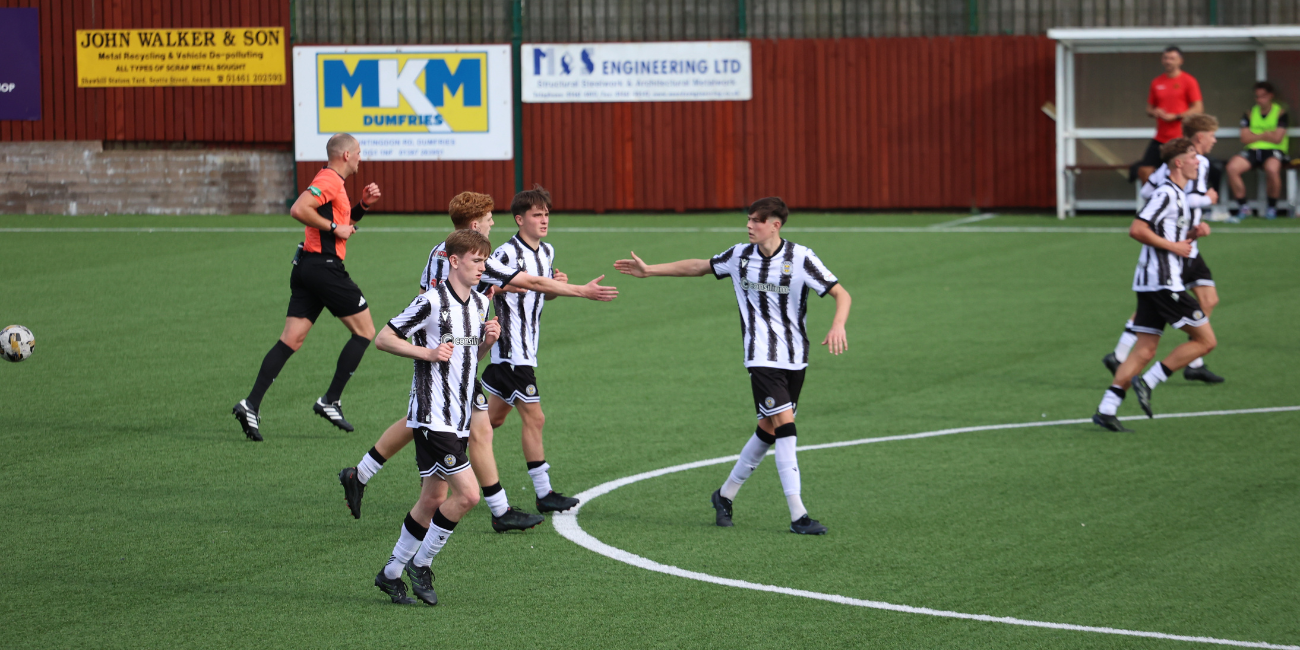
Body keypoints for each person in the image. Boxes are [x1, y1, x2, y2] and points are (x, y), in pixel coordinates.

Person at [338, 191, 618, 532]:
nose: (492, 222)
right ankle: (499, 510)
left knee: (424, 421)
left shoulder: (442, 252)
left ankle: (360, 473)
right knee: (469, 427)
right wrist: (581, 290)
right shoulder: (472, 257)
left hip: (456, 352)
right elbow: (525, 281)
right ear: (474, 224)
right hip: (447, 358)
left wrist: (491, 296)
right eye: (488, 218)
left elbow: (465, 293)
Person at [614, 197, 851, 535]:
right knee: (786, 427)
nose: (749, 225)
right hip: (760, 356)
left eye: (756, 220)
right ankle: (799, 515)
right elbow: (699, 266)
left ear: (775, 225)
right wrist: (650, 269)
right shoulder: (740, 255)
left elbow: (842, 294)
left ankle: (724, 495)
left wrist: (838, 324)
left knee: (768, 429)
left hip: (795, 356)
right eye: (749, 220)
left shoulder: (801, 258)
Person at [370, 229, 498, 606]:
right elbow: (383, 338)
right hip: (432, 417)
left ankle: (391, 572)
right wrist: (426, 354)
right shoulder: (429, 301)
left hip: (458, 417)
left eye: (484, 261)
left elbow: (469, 360)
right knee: (469, 494)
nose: (482, 268)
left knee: (432, 499)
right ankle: (421, 563)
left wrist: (487, 343)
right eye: (476, 261)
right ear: (454, 261)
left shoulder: (479, 304)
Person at [232, 133, 381, 441]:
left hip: (307, 268)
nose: (360, 158)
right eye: (358, 153)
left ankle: (250, 404)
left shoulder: (335, 184)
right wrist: (333, 227)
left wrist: (362, 205)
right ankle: (330, 400)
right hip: (324, 268)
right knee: (366, 332)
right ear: (345, 156)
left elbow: (341, 224)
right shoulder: (329, 179)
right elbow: (299, 209)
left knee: (291, 340)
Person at [480, 186, 596, 515]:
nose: (544, 220)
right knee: (536, 417)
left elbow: (544, 293)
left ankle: (447, 456)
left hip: (527, 348)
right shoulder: (504, 253)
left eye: (546, 214)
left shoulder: (547, 252)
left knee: (491, 420)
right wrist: (533, 282)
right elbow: (490, 286)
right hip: (510, 350)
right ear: (519, 220)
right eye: (536, 215)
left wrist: (554, 284)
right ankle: (544, 494)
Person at [1094, 139, 1218, 432]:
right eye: (1192, 157)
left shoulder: (1178, 194)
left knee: (1145, 350)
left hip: (1151, 282)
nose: (1197, 162)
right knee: (1206, 341)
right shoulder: (1166, 193)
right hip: (1164, 283)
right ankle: (1148, 381)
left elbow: (1168, 234)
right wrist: (1174, 247)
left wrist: (1192, 233)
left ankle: (1106, 409)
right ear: (1178, 163)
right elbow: (1137, 229)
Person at [1106, 114, 1223, 384]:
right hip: (1178, 249)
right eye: (1212, 135)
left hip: (1185, 242)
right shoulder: (1198, 163)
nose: (1215, 140)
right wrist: (1205, 199)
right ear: (1199, 138)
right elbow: (1170, 196)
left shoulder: (1179, 168)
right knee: (1163, 294)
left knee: (1202, 299)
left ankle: (1189, 358)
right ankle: (1187, 359)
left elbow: (1149, 190)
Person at [1134, 46, 1203, 186]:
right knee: (1144, 171)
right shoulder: (1156, 82)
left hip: (1180, 138)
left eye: (1172, 58)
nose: (1168, 61)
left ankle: (1182, 204)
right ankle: (1155, 204)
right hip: (1160, 138)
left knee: (1182, 173)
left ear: (1180, 61)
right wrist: (1156, 112)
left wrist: (1176, 116)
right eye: (1165, 58)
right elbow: (1149, 108)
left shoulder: (1188, 81)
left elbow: (1198, 108)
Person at [1227, 81, 1290, 219]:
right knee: (1232, 167)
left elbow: (1277, 138)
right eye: (1257, 97)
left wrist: (1254, 135)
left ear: (1271, 96)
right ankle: (1243, 206)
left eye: (1263, 96)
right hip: (1253, 149)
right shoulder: (1250, 113)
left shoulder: (1280, 113)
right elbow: (1244, 138)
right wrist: (1266, 134)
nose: (1260, 100)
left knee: (1272, 170)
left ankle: (1272, 207)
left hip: (1273, 150)